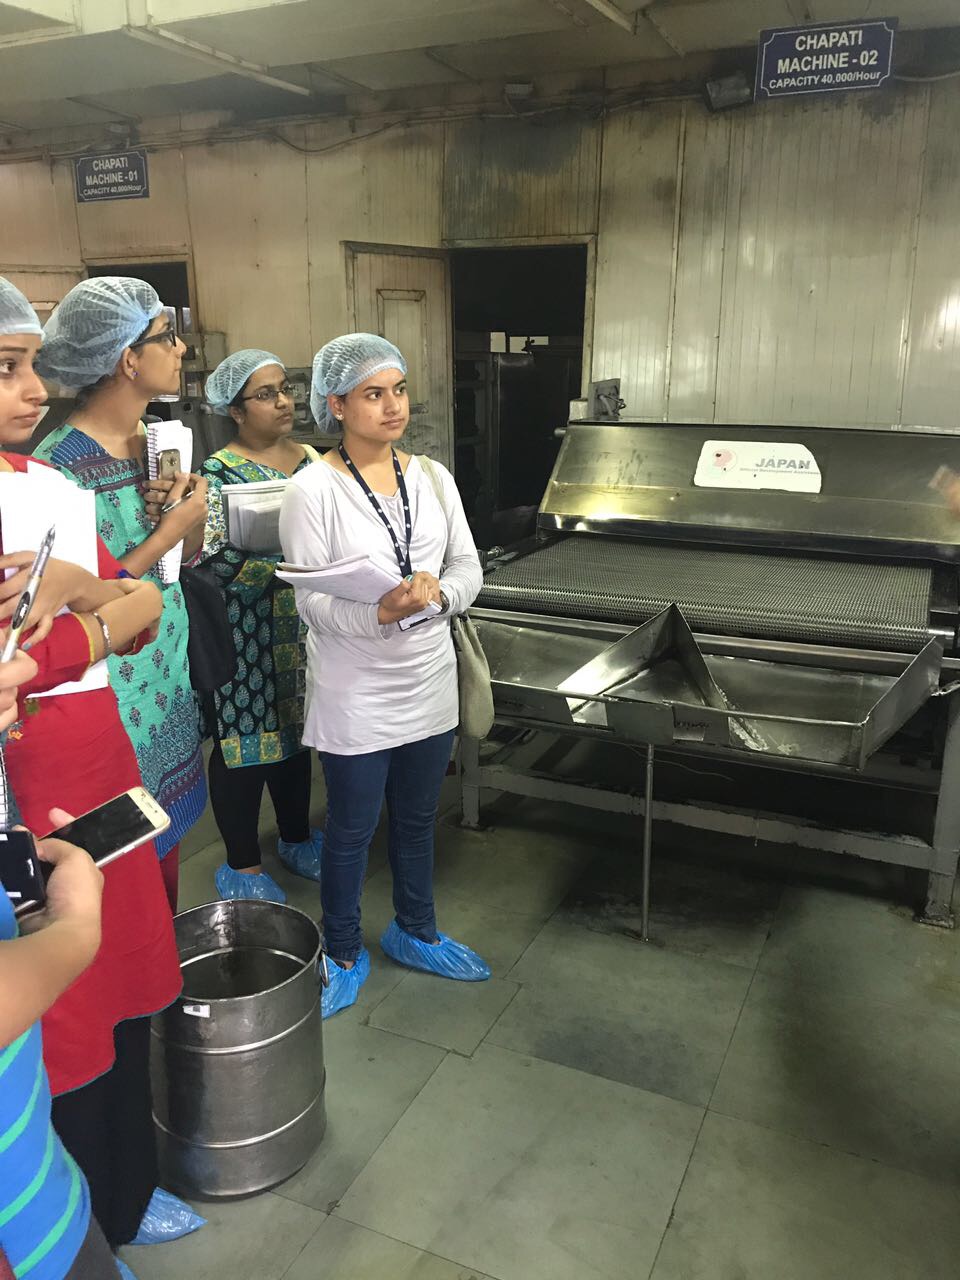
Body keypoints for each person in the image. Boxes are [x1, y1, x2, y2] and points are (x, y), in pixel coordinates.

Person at [0, 279, 201, 1254]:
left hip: (99, 747)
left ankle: (125, 1190)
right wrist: (91, 622)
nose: (34, 389)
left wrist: (82, 603)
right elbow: (63, 640)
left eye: (33, 364)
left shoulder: (43, 489)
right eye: (8, 368)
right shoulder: (58, 469)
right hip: (33, 774)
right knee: (60, 1010)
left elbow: (142, 605)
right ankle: (90, 1209)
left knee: (117, 964)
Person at [279, 333, 491, 1018]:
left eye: (398, 390)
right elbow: (311, 603)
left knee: (419, 818)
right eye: (373, 394)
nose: (393, 406)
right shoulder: (312, 489)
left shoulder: (432, 477)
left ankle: (415, 929)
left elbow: (468, 565)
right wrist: (381, 611)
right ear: (337, 405)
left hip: (427, 678)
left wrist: (438, 597)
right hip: (355, 688)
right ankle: (341, 950)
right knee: (351, 829)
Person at [33, 277, 208, 910]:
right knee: (126, 871)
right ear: (128, 359)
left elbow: (184, 562)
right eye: (166, 336)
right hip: (116, 696)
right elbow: (83, 602)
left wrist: (193, 518)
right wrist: (168, 532)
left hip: (169, 682)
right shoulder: (58, 470)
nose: (181, 348)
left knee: (168, 854)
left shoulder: (158, 440)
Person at [200, 350, 323, 902]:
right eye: (266, 394)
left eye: (285, 389)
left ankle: (297, 837)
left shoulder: (312, 461)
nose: (283, 402)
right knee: (245, 744)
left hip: (306, 627)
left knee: (297, 737)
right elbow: (211, 560)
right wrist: (290, 568)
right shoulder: (216, 474)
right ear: (236, 410)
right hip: (244, 632)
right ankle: (242, 865)